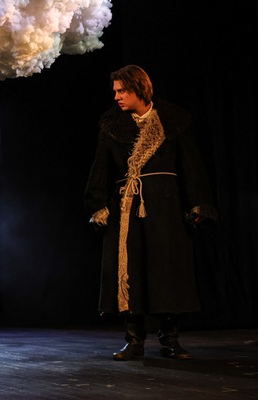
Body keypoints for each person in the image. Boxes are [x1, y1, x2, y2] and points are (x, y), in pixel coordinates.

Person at [84, 65, 217, 361]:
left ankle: (170, 339)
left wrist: (198, 203)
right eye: (115, 91)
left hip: (166, 209)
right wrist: (97, 205)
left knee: (166, 270)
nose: (117, 97)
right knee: (129, 270)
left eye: (122, 91)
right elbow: (100, 170)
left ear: (139, 89)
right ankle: (134, 340)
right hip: (127, 208)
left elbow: (192, 166)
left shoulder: (173, 122)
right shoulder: (112, 126)